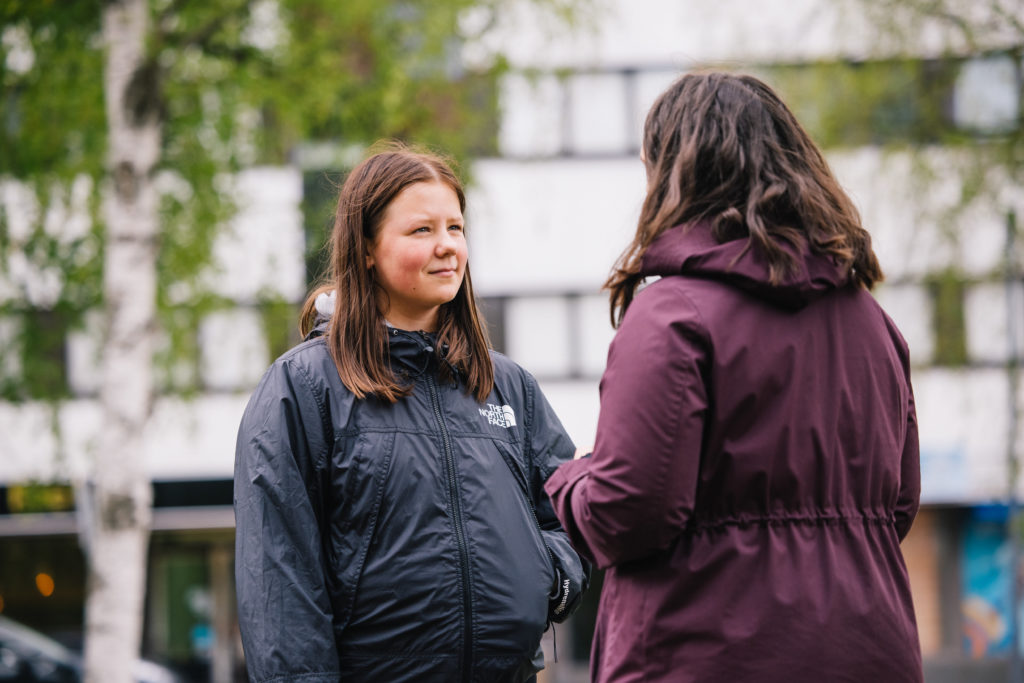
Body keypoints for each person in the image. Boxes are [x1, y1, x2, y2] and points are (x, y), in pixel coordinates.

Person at [544, 72, 922, 682]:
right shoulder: (872, 322)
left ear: (674, 174)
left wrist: (567, 482)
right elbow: (897, 505)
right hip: (871, 650)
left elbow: (628, 512)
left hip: (702, 652)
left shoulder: (673, 314)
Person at [234, 143, 588, 683]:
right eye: (422, 230)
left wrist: (552, 576)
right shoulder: (303, 387)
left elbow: (570, 511)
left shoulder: (506, 386)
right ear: (368, 248)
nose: (447, 246)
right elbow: (280, 583)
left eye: (456, 227)